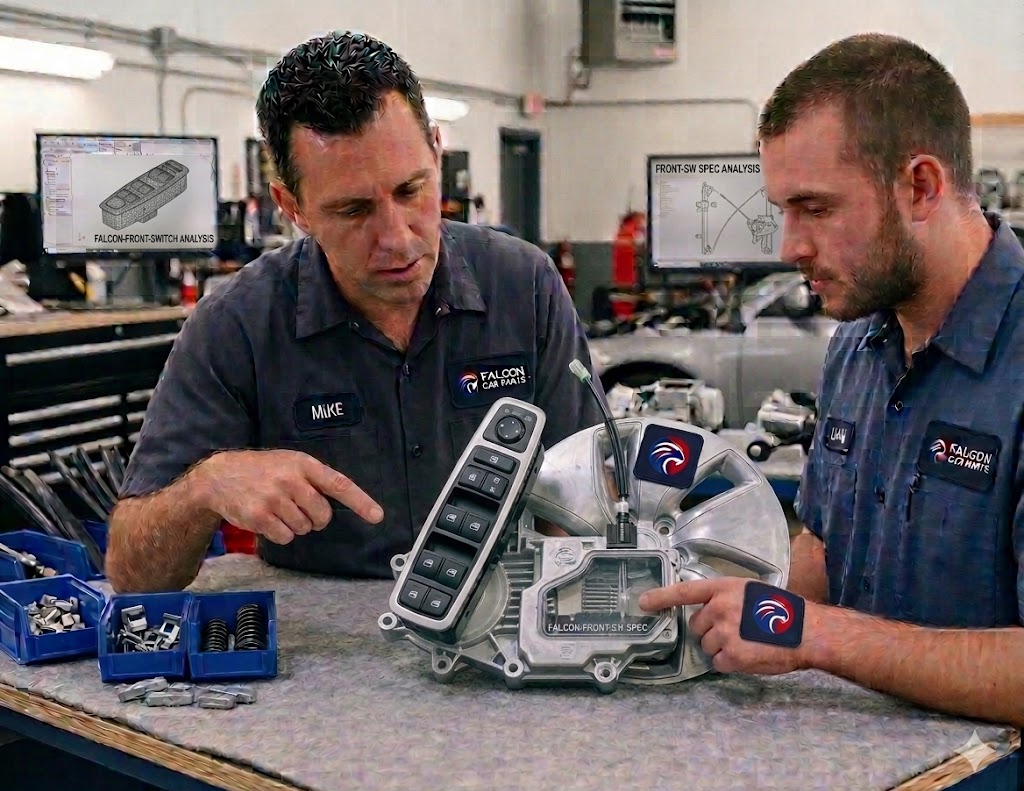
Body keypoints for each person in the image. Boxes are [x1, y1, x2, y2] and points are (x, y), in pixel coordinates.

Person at [104, 31, 603, 593]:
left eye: (411, 190)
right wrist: (206, 485)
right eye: (353, 210)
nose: (397, 238)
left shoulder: (524, 286)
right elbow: (131, 573)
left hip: (501, 615)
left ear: (435, 151)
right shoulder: (237, 325)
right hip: (320, 635)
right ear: (292, 206)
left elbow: (584, 496)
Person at [639, 32, 1024, 729]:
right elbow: (823, 544)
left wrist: (813, 634)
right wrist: (723, 610)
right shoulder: (856, 344)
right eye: (782, 211)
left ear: (920, 187)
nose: (790, 246)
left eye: (816, 209)